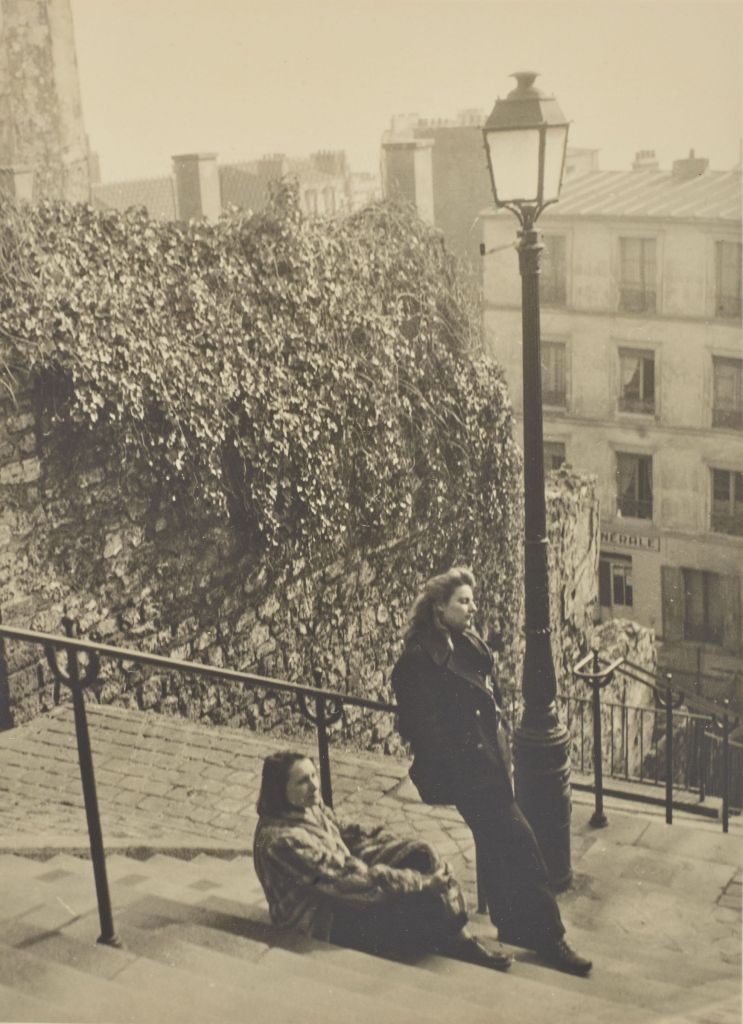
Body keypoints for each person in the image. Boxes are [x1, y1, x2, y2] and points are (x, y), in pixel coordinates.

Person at [391, 566, 592, 976]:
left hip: (491, 763)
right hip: (470, 773)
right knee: (522, 843)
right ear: (439, 607)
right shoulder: (418, 659)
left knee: (498, 843)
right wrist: (462, 760)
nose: (471, 607)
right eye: (462, 601)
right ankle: (551, 938)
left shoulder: (465, 643)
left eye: (471, 599)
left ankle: (513, 926)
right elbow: (419, 726)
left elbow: (487, 694)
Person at [252, 750, 513, 970]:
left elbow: (348, 832)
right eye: (302, 782)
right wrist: (422, 883)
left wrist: (403, 850)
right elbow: (345, 878)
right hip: (322, 918)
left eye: (313, 776)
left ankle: (460, 938)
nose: (314, 786)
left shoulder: (306, 806)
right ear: (280, 790)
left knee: (421, 854)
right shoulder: (281, 841)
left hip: (343, 888)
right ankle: (458, 942)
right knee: (416, 903)